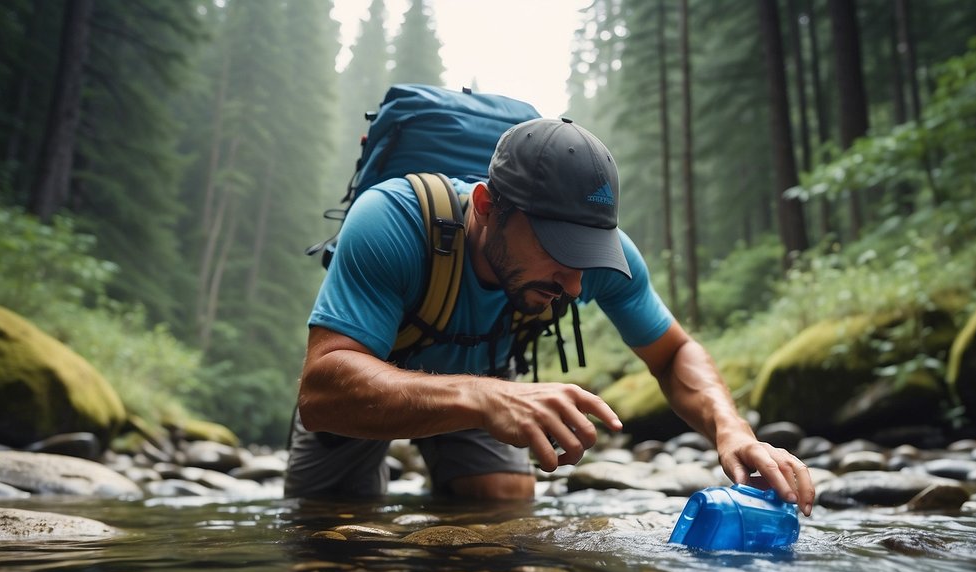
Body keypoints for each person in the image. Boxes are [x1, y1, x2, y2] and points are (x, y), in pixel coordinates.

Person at [287, 117, 814, 515]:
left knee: (503, 504)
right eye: (559, 249)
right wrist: (486, 396)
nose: (577, 284)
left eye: (588, 253)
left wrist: (732, 429)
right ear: (489, 206)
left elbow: (674, 352)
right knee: (330, 524)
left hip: (488, 381)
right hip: (382, 386)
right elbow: (323, 393)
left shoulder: (596, 261)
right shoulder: (392, 221)